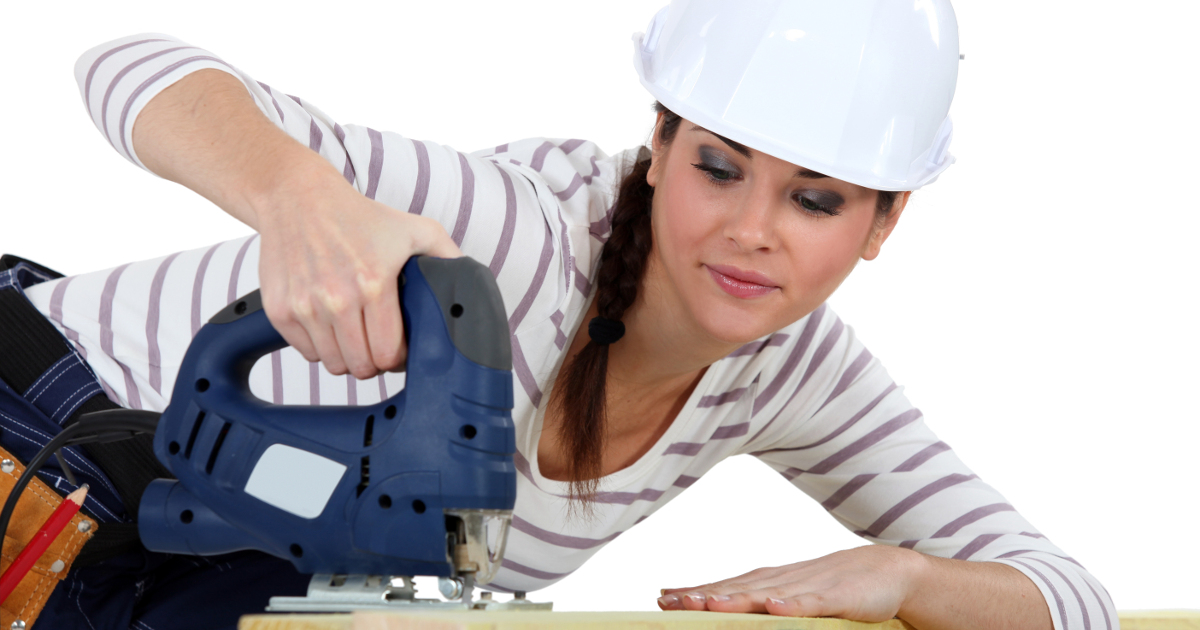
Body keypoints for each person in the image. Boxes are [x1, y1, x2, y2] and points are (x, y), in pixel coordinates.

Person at [0, 1, 1116, 629]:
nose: (753, 230)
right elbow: (130, 66)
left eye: (816, 199)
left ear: (883, 222)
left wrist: (909, 576)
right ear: (661, 146)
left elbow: (1072, 604)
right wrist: (298, 203)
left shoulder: (792, 373)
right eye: (720, 169)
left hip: (195, 571)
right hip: (44, 439)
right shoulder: (508, 232)